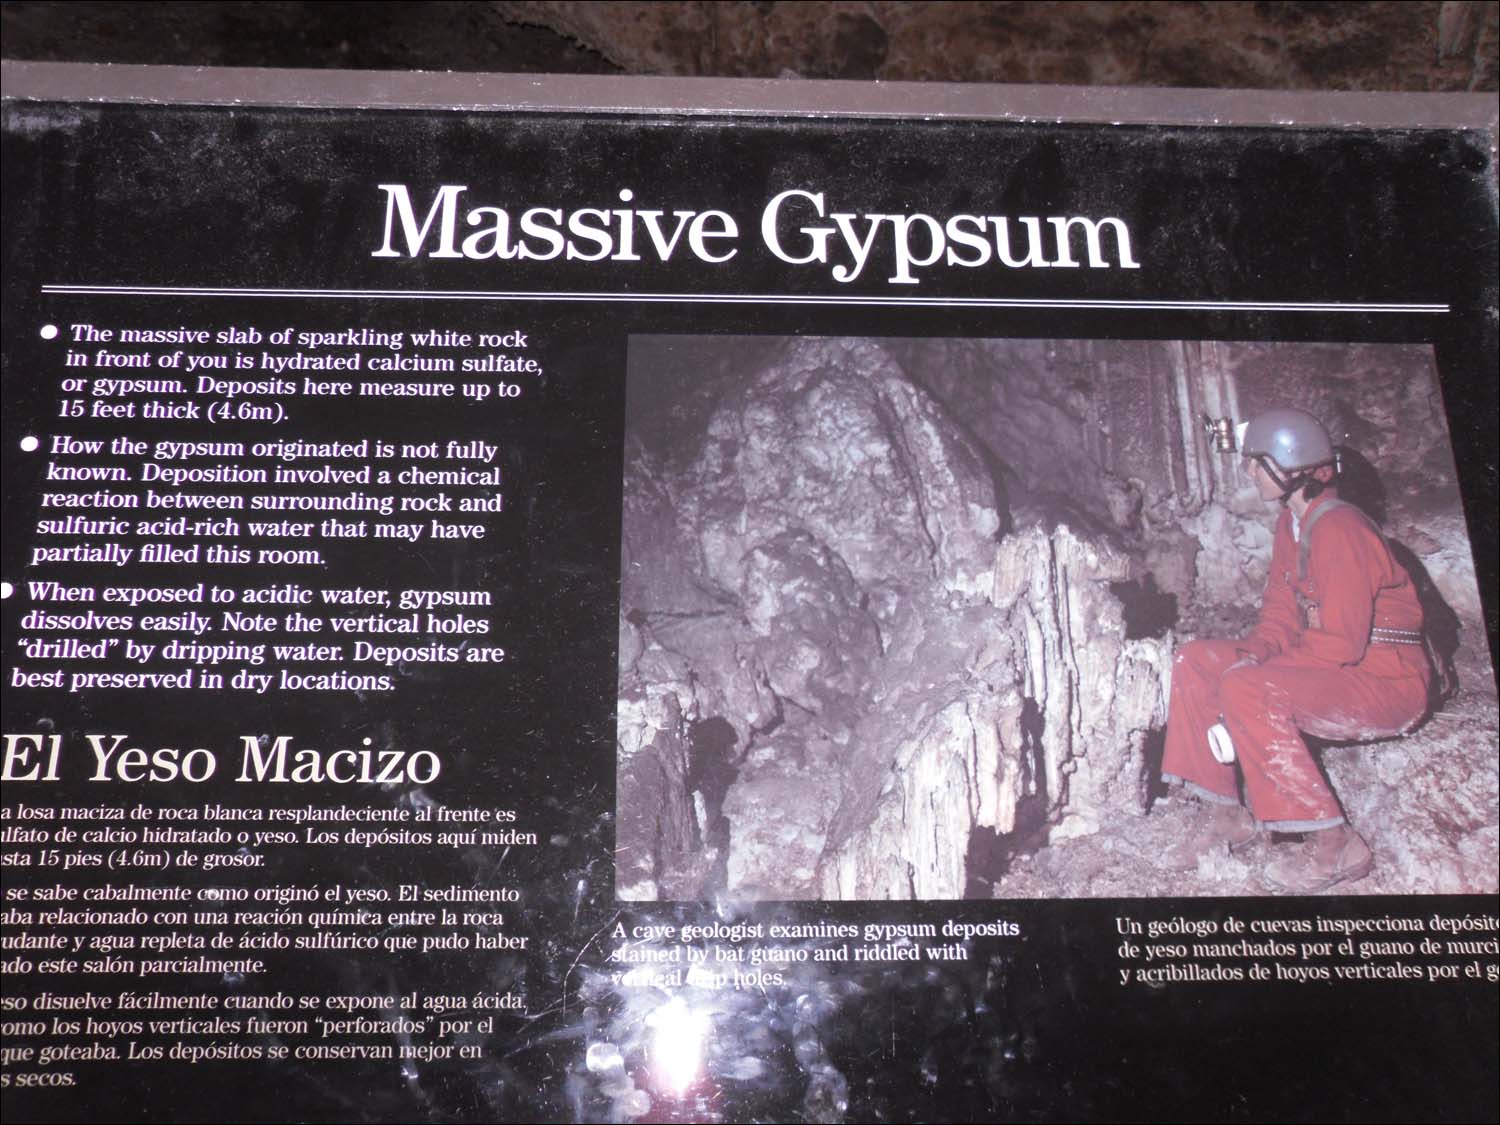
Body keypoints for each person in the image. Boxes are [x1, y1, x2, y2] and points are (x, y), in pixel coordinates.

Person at [1161, 407, 1430, 893]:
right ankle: (1226, 816)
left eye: (1257, 461)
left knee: (1247, 688)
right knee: (1198, 660)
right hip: (1340, 665)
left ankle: (1335, 842)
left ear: (1292, 469)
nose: (1248, 471)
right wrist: (1255, 654)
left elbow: (1341, 643)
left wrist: (1251, 679)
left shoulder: (1342, 529)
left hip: (1386, 680)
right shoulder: (1294, 523)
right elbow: (1283, 611)